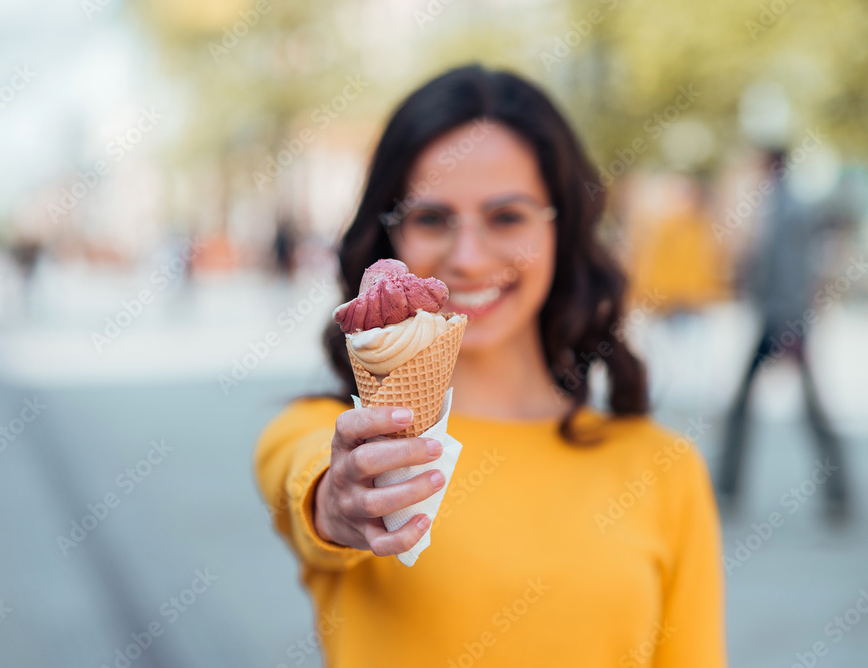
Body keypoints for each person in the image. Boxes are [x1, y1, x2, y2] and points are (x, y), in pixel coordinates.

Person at [254, 65, 726, 667]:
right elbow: (317, 493)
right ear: (388, 239)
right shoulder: (325, 440)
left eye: (507, 217)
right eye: (431, 218)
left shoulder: (664, 469)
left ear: (563, 230)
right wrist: (340, 499)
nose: (469, 258)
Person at [717, 148, 849, 518]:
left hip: (784, 321)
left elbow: (793, 271)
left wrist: (792, 326)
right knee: (761, 407)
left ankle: (836, 495)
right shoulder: (778, 205)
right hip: (778, 318)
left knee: (805, 410)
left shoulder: (786, 209)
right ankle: (729, 488)